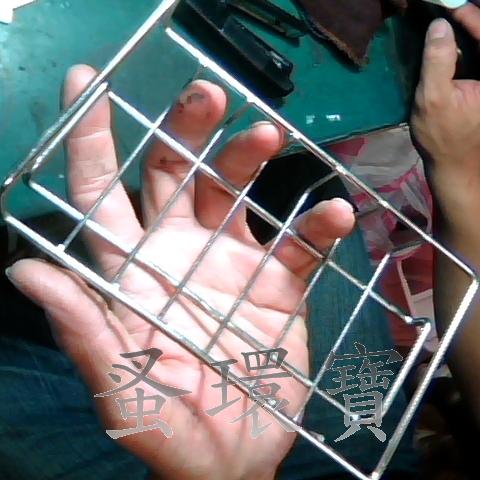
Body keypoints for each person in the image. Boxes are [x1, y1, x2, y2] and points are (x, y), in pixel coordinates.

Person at [3, 2, 480, 479]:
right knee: (290, 181)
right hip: (363, 446)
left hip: (270, 461)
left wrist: (235, 472)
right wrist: (460, 173)